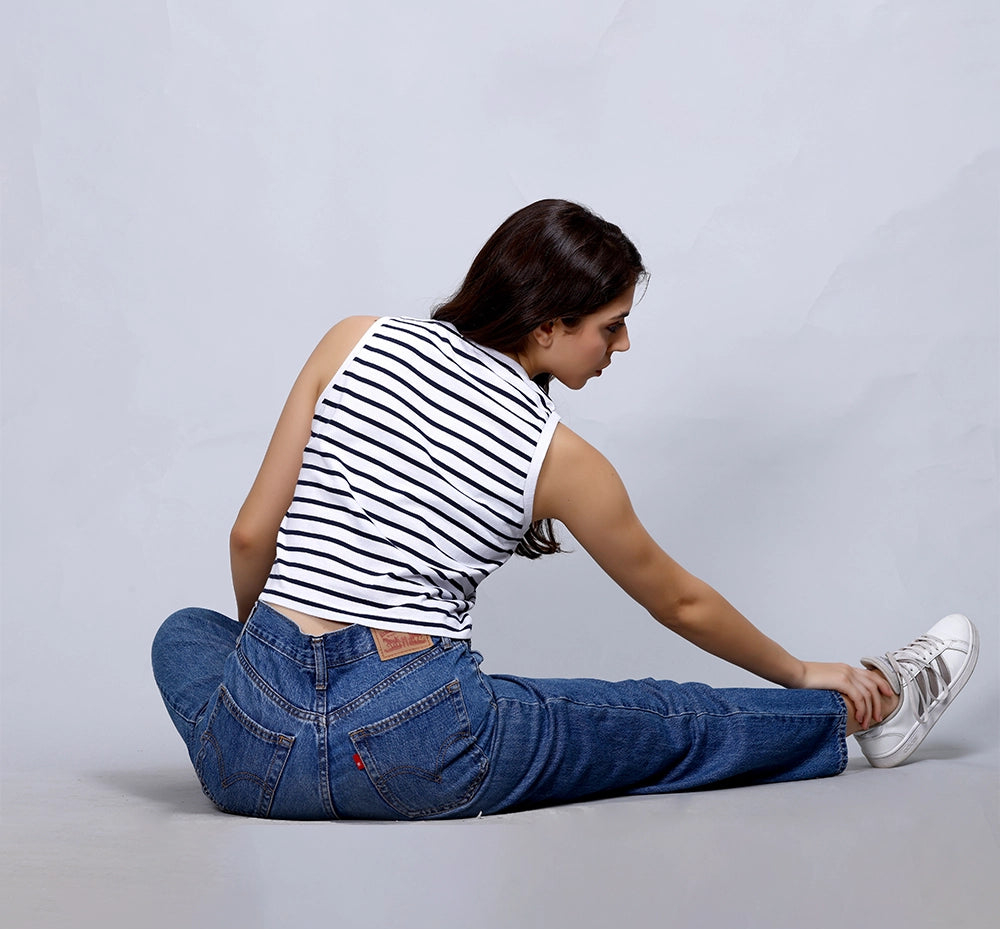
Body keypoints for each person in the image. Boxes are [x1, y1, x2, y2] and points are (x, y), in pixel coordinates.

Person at [152, 199, 978, 820]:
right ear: (547, 327)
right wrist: (801, 668)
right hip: (417, 751)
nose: (621, 347)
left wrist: (275, 681)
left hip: (247, 759)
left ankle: (280, 750)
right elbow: (678, 601)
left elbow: (249, 535)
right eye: (610, 328)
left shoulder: (352, 340)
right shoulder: (561, 459)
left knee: (186, 633)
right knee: (664, 719)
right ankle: (873, 706)